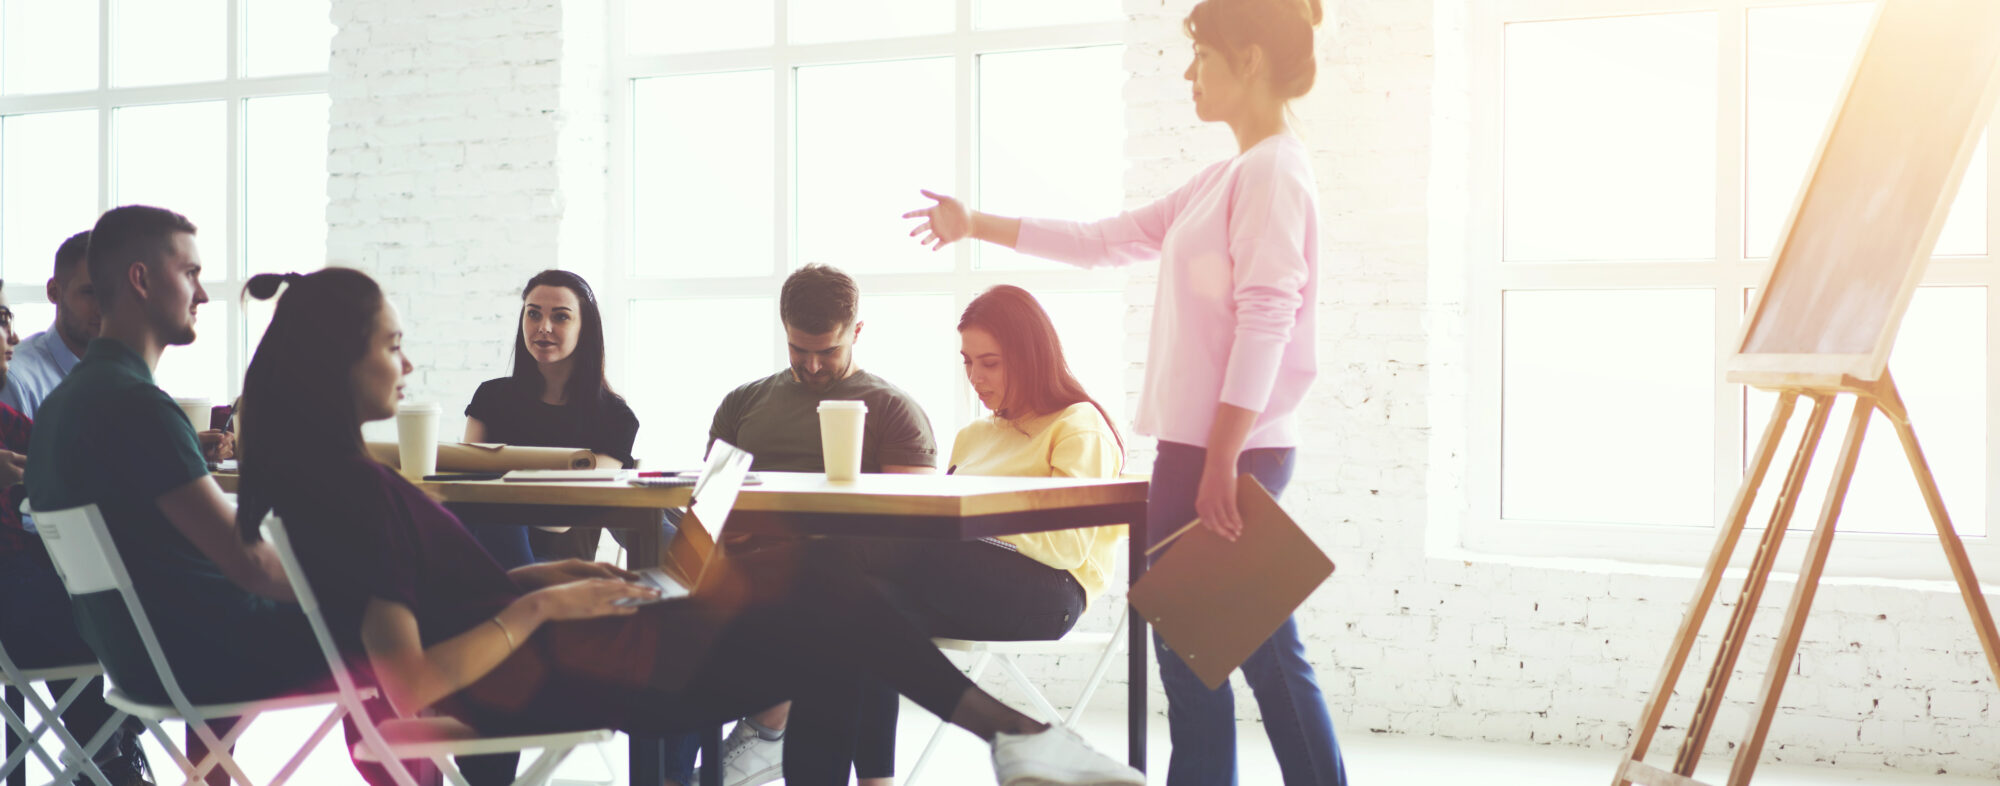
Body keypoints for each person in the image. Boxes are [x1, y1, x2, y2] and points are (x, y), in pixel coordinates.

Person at [232, 267, 1145, 786]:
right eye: (392, 343)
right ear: (334, 359)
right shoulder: (349, 495)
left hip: (568, 651)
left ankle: (1020, 740)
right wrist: (545, 612)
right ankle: (1020, 739)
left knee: (826, 593)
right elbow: (409, 682)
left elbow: (450, 604)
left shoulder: (340, 480)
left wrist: (551, 584)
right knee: (829, 599)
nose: (409, 360)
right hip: (554, 676)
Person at [902, 1, 1347, 783]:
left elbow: (1268, 317)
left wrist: (1223, 458)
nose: (1187, 73)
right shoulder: (1226, 176)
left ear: (1248, 60)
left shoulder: (1276, 170)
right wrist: (976, 222)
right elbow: (1104, 241)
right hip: (1196, 451)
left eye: (1201, 55)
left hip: (1231, 454)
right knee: (1194, 661)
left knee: (1264, 656)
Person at [689, 262, 938, 786]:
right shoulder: (744, 403)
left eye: (828, 351)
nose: (813, 365)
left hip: (840, 578)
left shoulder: (891, 410)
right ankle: (698, 759)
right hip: (746, 572)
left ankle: (768, 728)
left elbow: (910, 532)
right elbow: (709, 509)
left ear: (857, 333)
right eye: (799, 350)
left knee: (856, 603)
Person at [0, 283, 153, 786]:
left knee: (105, 586)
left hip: (32, 585)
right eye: (2, 319)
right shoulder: (18, 394)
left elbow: (76, 467)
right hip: (21, 600)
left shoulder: (9, 419)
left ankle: (110, 748)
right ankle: (106, 752)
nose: (14, 336)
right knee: (94, 601)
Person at [1, 230, 232, 462]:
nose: (104, 307)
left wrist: (183, 448)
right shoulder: (16, 379)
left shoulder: (130, 373)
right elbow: (20, 486)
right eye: (90, 292)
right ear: (54, 292)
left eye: (113, 293)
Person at [462, 270, 639, 568]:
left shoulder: (615, 418)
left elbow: (564, 515)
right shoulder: (490, 397)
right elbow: (465, 489)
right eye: (533, 314)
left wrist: (498, 490)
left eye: (560, 317)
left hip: (559, 567)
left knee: (496, 509)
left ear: (585, 328)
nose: (543, 327)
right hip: (481, 552)